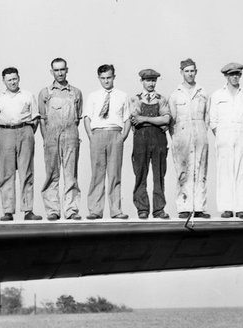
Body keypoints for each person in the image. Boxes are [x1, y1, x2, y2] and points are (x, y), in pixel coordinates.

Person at [37, 58, 84, 220]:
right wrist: (46, 138)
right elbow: (42, 118)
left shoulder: (76, 92)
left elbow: (77, 118)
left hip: (71, 136)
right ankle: (53, 210)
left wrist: (70, 133)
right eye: (56, 70)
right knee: (52, 173)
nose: (60, 73)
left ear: (67, 70)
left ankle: (71, 210)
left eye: (62, 69)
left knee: (71, 174)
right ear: (52, 72)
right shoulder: (45, 92)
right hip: (51, 137)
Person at [82, 65, 130, 220]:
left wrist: (123, 136)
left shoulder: (122, 95)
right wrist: (90, 134)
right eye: (103, 78)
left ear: (114, 77)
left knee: (115, 173)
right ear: (99, 78)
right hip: (97, 134)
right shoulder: (93, 96)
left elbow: (127, 118)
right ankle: (95, 209)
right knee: (97, 173)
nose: (106, 81)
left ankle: (116, 210)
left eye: (109, 77)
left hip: (115, 133)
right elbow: (87, 117)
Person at [0, 67, 41, 221]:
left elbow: (35, 118)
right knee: (7, 173)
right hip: (5, 132)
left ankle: (28, 210)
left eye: (15, 79)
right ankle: (8, 210)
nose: (12, 82)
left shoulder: (27, 95)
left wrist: (26, 132)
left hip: (25, 131)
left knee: (26, 172)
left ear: (19, 78)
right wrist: (4, 132)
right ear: (4, 81)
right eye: (9, 80)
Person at [168, 59, 212, 219]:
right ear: (181, 72)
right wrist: (177, 138)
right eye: (186, 71)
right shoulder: (175, 94)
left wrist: (201, 131)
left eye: (192, 71)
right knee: (183, 171)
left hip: (199, 132)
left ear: (196, 71)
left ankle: (199, 207)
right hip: (181, 134)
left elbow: (207, 116)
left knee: (200, 171)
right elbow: (171, 119)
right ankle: (184, 207)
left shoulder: (203, 92)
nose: (190, 74)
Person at [209, 63, 243, 218]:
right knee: (225, 172)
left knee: (242, 172)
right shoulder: (217, 95)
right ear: (226, 76)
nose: (235, 77)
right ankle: (227, 207)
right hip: (224, 135)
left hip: (241, 133)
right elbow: (213, 120)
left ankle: (241, 208)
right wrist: (221, 135)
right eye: (232, 74)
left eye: (237, 74)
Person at [128, 69, 173, 219]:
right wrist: (156, 120)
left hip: (159, 139)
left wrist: (145, 119)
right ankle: (142, 208)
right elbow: (135, 118)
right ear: (142, 81)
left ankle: (159, 209)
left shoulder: (161, 99)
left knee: (159, 174)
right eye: (148, 80)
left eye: (153, 80)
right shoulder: (135, 99)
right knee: (140, 173)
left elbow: (166, 119)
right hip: (141, 138)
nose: (151, 83)